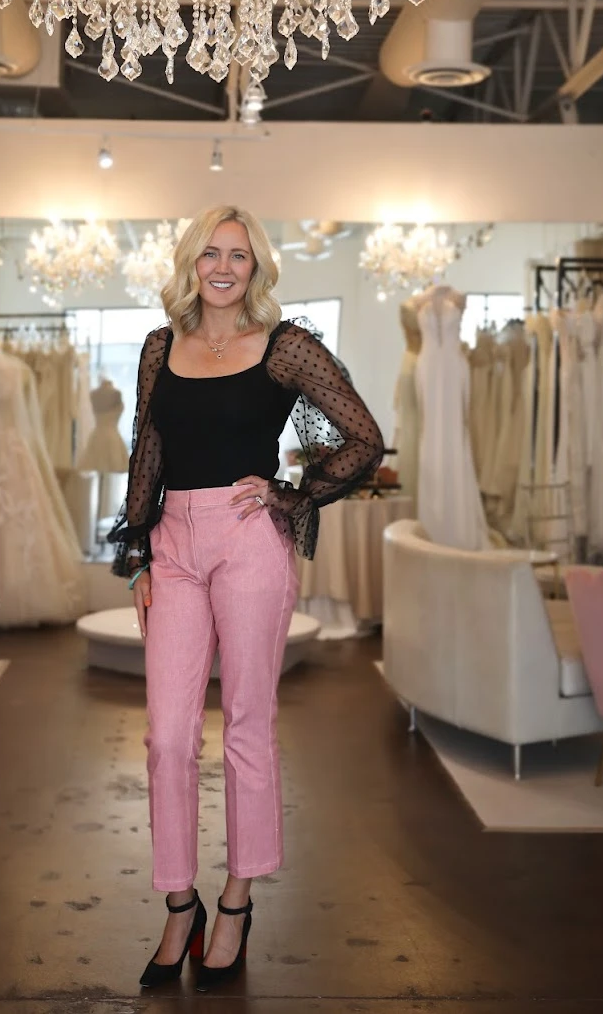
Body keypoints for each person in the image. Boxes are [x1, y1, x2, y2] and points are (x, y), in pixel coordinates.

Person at [108, 206, 383, 992]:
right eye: (210, 254)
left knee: (249, 725)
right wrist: (138, 554)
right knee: (166, 736)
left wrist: (292, 492)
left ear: (258, 268)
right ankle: (179, 898)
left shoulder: (287, 346)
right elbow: (148, 448)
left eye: (239, 255)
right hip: (174, 544)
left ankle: (236, 899)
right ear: (190, 262)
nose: (223, 267)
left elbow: (363, 437)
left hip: (247, 537)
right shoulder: (161, 347)